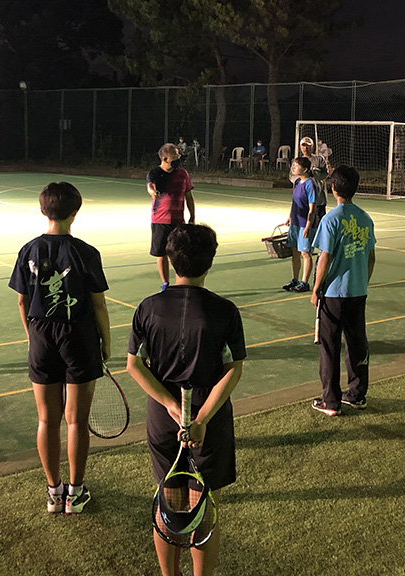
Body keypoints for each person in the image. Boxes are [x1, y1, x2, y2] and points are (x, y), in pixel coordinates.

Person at [127, 224, 246, 576]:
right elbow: (233, 370)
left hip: (165, 424)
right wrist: (202, 419)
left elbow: (134, 365)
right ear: (210, 262)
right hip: (208, 426)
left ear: (169, 258)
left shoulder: (148, 308)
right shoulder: (224, 311)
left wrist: (168, 404)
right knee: (204, 508)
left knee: (169, 505)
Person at [9, 182, 111, 514]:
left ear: (42, 211)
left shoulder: (28, 250)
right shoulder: (86, 252)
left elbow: (23, 302)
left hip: (41, 334)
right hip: (78, 335)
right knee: (76, 421)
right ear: (75, 211)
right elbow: (99, 305)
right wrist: (106, 343)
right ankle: (76, 493)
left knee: (46, 419)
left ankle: (54, 492)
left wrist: (32, 337)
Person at [310, 167, 376, 416]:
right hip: (358, 291)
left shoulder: (331, 219)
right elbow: (371, 256)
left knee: (329, 347)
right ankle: (357, 395)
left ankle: (330, 401)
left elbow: (324, 257)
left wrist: (316, 288)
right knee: (357, 343)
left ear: (334, 189)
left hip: (334, 294)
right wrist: (362, 281)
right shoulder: (365, 217)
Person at [147, 143, 196, 292]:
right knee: (161, 253)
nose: (179, 157)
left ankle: (181, 282)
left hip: (178, 221)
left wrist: (192, 216)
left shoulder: (183, 174)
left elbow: (189, 196)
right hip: (160, 220)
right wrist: (153, 192)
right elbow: (150, 186)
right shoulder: (155, 173)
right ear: (166, 158)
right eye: (176, 155)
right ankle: (165, 284)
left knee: (179, 253)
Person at [282, 157, 318, 293]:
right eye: (294, 165)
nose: (294, 167)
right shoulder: (297, 182)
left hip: (305, 223)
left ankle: (305, 282)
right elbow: (294, 202)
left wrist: (308, 226)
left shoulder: (310, 184)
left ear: (305, 169)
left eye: (296, 166)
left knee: (305, 253)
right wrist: (290, 216)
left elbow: (312, 207)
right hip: (295, 223)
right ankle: (295, 279)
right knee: (295, 252)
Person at [296, 136, 330, 221]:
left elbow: (324, 175)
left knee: (319, 225)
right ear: (300, 147)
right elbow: (293, 177)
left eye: (308, 145)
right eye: (303, 145)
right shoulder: (297, 161)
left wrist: (314, 174)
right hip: (303, 200)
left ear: (312, 147)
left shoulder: (319, 160)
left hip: (318, 200)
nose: (305, 148)